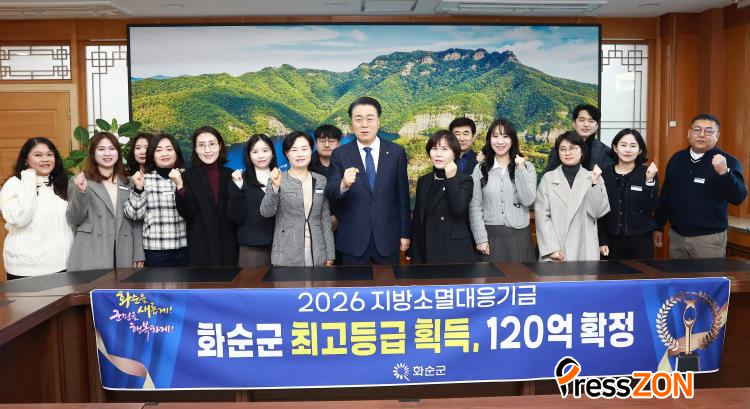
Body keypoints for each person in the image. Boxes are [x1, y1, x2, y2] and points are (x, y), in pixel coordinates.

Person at [325, 97, 411, 265]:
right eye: (358, 119)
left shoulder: (396, 152)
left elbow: (403, 197)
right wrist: (343, 184)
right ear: (352, 123)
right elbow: (330, 191)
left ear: (378, 121)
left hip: (388, 237)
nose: (364, 124)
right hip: (353, 238)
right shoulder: (340, 154)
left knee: (387, 281)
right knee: (354, 282)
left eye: (369, 118)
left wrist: (405, 233)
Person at [655, 114, 747, 258]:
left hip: (709, 239)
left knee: (708, 274)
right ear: (689, 133)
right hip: (677, 236)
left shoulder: (728, 161)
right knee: (676, 273)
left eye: (709, 131)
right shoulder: (677, 159)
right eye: (697, 129)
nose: (702, 134)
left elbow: (738, 197)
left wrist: (724, 173)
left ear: (717, 136)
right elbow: (666, 195)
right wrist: (659, 226)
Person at [67, 132, 145, 270]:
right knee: (94, 285)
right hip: (91, 249)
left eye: (112, 148)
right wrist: (81, 192)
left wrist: (139, 252)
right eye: (101, 149)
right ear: (93, 153)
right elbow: (74, 219)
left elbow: (137, 220)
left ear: (118, 153)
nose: (107, 153)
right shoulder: (80, 181)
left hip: (124, 249)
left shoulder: (130, 182)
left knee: (123, 284)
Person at [260, 131, 335, 266]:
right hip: (286, 252)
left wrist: (330, 253)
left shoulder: (320, 180)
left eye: (304, 149)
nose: (300, 154)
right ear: (287, 153)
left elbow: (325, 219)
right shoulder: (278, 178)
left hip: (317, 250)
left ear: (310, 150)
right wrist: (275, 187)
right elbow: (266, 212)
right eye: (294, 150)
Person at [0, 137, 72, 278]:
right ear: (26, 159)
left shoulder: (61, 183)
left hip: (61, 265)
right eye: (38, 155)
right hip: (25, 268)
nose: (45, 159)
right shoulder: (13, 184)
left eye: (49, 154)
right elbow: (21, 219)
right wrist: (29, 179)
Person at [535, 131, 610, 261]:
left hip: (585, 247)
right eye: (563, 149)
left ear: (582, 151)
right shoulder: (548, 178)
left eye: (573, 148)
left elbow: (598, 212)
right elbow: (542, 216)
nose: (567, 153)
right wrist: (551, 248)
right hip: (558, 248)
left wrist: (594, 183)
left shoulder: (593, 177)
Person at [469, 119, 537, 262]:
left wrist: (520, 170)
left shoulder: (527, 167)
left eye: (505, 136)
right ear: (489, 139)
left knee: (520, 275)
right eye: (495, 136)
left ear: (512, 139)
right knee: (491, 276)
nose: (500, 141)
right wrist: (481, 238)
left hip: (520, 237)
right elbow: (475, 206)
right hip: (490, 236)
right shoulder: (480, 168)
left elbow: (528, 201)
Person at [409, 130, 476, 264]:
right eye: (434, 148)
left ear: (455, 153)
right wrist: (413, 251)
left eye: (445, 149)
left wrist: (451, 179)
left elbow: (458, 209)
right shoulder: (424, 180)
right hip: (425, 250)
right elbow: (418, 218)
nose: (438, 154)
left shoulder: (464, 180)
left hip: (453, 252)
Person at [175, 126, 238, 266]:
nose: (207, 150)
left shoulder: (231, 175)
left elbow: (237, 214)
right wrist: (180, 187)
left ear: (219, 146)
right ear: (196, 149)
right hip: (200, 248)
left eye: (212, 144)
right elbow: (186, 213)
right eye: (202, 145)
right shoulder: (187, 177)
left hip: (228, 247)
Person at [123, 133, 188, 267]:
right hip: (155, 249)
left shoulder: (186, 177)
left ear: (176, 153)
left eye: (169, 149)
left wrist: (180, 184)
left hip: (184, 246)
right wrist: (139, 189)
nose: (164, 154)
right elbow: (134, 215)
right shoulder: (144, 179)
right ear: (152, 154)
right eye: (159, 150)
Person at [598, 129, 659, 259]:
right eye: (623, 145)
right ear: (615, 148)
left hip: (641, 239)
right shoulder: (604, 174)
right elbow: (598, 211)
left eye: (633, 146)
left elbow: (651, 207)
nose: (628, 150)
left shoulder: (648, 173)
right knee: (611, 272)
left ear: (640, 150)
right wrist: (601, 240)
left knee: (642, 272)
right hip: (611, 240)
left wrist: (649, 181)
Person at [227, 134, 277, 267]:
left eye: (265, 150)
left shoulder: (282, 178)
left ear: (272, 153)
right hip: (252, 247)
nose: (261, 156)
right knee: (250, 280)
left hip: (281, 245)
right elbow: (235, 217)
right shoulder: (239, 180)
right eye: (255, 152)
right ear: (249, 155)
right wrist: (238, 188)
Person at [545, 104, 614, 172]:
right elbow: (549, 175)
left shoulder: (606, 152)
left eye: (591, 121)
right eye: (581, 120)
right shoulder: (559, 149)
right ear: (574, 124)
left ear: (596, 126)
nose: (586, 125)